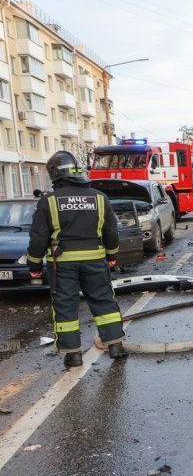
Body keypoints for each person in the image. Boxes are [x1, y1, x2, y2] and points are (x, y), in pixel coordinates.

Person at [27, 151, 126, 368]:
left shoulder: (49, 201)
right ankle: (116, 345)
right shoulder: (100, 198)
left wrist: (34, 265)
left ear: (54, 174)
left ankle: (73, 355)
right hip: (96, 259)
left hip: (62, 263)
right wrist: (112, 256)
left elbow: (38, 238)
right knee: (103, 300)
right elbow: (111, 231)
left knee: (65, 306)